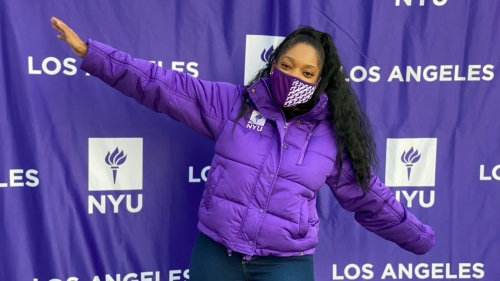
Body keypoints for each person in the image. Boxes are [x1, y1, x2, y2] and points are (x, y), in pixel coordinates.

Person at [50, 17, 435, 281]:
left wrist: (419, 237)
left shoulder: (331, 136)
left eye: (307, 73)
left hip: (285, 265)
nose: (294, 77)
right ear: (272, 66)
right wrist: (91, 54)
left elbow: (371, 198)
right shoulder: (232, 104)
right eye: (287, 65)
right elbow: (159, 84)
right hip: (216, 256)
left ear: (321, 82)